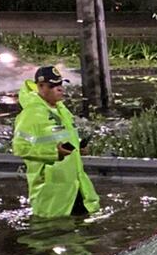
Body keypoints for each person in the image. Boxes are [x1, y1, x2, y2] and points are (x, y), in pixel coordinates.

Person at [12, 66, 100, 218]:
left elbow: (64, 135)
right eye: (53, 86)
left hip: (75, 185)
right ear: (40, 87)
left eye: (60, 84)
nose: (60, 89)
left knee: (83, 226)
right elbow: (20, 148)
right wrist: (54, 153)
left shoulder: (61, 109)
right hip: (51, 191)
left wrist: (79, 146)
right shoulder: (31, 114)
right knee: (53, 229)